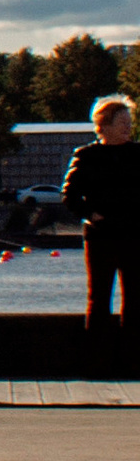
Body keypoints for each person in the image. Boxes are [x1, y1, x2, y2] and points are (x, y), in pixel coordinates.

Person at [61, 94, 140, 354]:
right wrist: (91, 215)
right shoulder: (87, 156)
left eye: (130, 123)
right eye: (122, 123)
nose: (128, 128)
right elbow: (69, 195)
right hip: (101, 236)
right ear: (103, 125)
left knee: (135, 299)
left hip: (134, 235)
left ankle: (132, 358)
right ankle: (97, 358)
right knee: (99, 297)